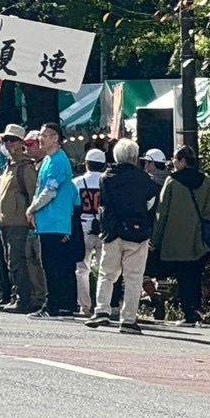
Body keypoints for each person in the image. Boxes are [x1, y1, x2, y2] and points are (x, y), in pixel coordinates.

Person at [87, 138, 160, 332]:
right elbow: (151, 206)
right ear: (135, 158)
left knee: (107, 273)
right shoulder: (146, 180)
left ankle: (101, 310)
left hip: (112, 232)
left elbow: (102, 206)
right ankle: (128, 320)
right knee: (134, 277)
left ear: (116, 157)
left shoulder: (106, 177)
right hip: (137, 233)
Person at [152, 145, 210, 327]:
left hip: (176, 238)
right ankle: (196, 309)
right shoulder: (207, 181)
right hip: (200, 239)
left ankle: (189, 312)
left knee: (182, 274)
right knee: (195, 273)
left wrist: (156, 240)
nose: (172, 162)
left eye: (174, 159)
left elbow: (162, 213)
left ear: (182, 160)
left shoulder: (172, 181)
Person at [26, 122, 77, 318]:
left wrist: (31, 208)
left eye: (45, 135)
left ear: (55, 138)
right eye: (40, 135)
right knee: (51, 263)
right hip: (48, 221)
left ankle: (54, 305)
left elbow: (50, 191)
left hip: (56, 220)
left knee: (53, 264)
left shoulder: (58, 161)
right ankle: (60, 304)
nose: (41, 138)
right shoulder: (48, 160)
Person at [0, 126, 44, 313]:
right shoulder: (9, 166)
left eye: (12, 140)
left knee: (18, 261)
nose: (8, 144)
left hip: (19, 222)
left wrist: (32, 219)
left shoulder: (25, 168)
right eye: (6, 140)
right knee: (11, 261)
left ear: (22, 143)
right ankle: (17, 296)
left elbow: (33, 195)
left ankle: (24, 299)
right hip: (6, 222)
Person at [74, 147, 107, 316]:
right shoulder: (107, 181)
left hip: (83, 227)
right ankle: (103, 305)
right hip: (104, 228)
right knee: (105, 270)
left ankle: (84, 306)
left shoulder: (78, 183)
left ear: (86, 164)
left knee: (81, 269)